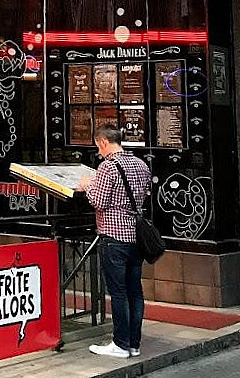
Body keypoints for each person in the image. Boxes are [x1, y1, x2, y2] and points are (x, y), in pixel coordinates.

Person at [77, 125, 151, 359]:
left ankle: (120, 344)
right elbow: (144, 193)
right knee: (135, 292)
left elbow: (98, 201)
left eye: (97, 146)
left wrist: (87, 186)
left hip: (113, 236)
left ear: (103, 142)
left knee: (118, 292)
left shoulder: (107, 166)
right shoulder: (141, 164)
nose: (98, 150)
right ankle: (134, 344)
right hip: (136, 237)